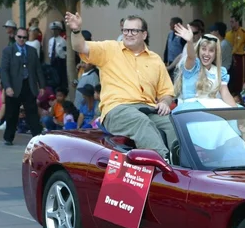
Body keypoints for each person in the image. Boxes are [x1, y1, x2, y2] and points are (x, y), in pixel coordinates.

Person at [65, 11, 175, 159]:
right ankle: (164, 163)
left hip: (148, 108)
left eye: (134, 30)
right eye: (125, 30)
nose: (128, 34)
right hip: (117, 109)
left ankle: (183, 160)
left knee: (174, 124)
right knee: (140, 121)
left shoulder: (155, 59)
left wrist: (164, 102)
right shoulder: (109, 49)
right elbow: (81, 47)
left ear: (144, 34)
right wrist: (76, 30)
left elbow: (167, 92)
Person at [172, 24, 237, 112]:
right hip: (191, 111)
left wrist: (237, 112)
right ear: (199, 50)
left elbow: (225, 94)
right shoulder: (193, 66)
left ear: (216, 53)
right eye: (203, 49)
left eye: (211, 50)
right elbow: (191, 57)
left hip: (211, 110)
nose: (206, 53)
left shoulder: (220, 71)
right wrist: (189, 42)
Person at [0, 26, 44, 145]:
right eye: (19, 37)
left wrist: (42, 86)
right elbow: (4, 70)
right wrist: (7, 86)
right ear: (15, 37)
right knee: (11, 114)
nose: (22, 39)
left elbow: (38, 69)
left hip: (29, 85)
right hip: (13, 87)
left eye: (24, 37)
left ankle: (37, 138)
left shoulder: (32, 51)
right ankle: (8, 138)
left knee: (32, 113)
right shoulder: (8, 51)